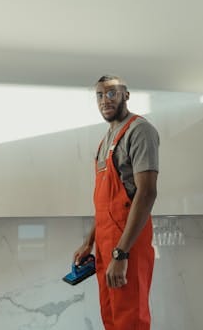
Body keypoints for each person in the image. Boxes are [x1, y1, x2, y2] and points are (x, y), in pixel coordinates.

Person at [73, 75, 159, 330]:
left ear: (126, 95)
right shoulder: (106, 140)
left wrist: (122, 253)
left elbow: (147, 193)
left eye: (112, 93)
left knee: (130, 319)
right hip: (105, 245)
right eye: (99, 95)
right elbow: (105, 206)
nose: (104, 100)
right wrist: (89, 241)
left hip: (127, 243)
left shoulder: (140, 130)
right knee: (111, 318)